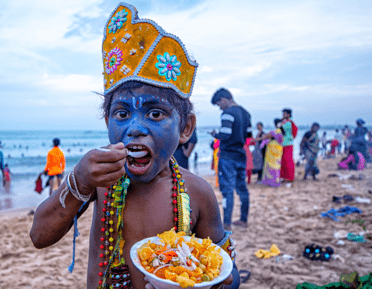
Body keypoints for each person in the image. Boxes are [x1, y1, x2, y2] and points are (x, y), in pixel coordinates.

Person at [30, 4, 239, 289]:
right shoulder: (99, 183)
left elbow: (228, 272)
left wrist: (213, 283)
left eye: (155, 114)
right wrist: (78, 180)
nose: (135, 128)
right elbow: (39, 236)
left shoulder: (197, 193)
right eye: (122, 114)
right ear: (107, 122)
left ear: (185, 128)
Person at [211, 88, 251, 230]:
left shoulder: (227, 113)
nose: (219, 108)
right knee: (242, 189)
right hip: (241, 154)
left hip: (228, 155)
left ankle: (226, 224)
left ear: (223, 99)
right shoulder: (246, 113)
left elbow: (226, 134)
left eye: (218, 105)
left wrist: (216, 134)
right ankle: (243, 220)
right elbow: (249, 135)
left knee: (227, 190)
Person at [256, 119, 284, 187]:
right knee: (276, 166)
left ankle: (271, 181)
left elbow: (263, 137)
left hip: (272, 151)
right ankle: (276, 181)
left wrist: (257, 138)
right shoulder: (281, 132)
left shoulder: (274, 132)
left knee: (271, 166)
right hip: (278, 151)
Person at [280, 108, 297, 182]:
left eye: (284, 114)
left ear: (288, 114)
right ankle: (283, 176)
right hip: (283, 143)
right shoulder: (285, 122)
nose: (283, 115)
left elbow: (281, 129)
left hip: (288, 143)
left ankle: (290, 177)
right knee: (283, 160)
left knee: (288, 160)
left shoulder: (289, 122)